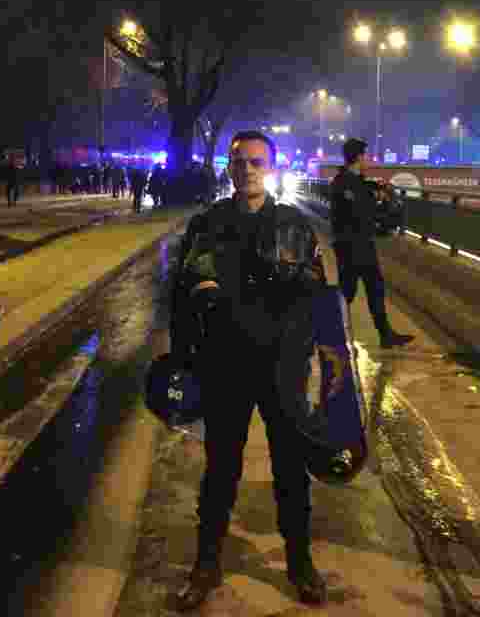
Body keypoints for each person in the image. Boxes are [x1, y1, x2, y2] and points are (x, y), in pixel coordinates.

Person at [170, 130, 329, 610]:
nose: (247, 170)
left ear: (271, 167)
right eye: (239, 162)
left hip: (282, 368)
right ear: (229, 167)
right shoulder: (207, 225)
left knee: (290, 472)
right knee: (220, 470)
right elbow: (180, 296)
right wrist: (182, 361)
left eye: (256, 162)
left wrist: (318, 358)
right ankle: (206, 563)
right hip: (225, 366)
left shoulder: (295, 226)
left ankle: (299, 563)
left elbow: (318, 298)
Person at [329, 138, 413, 349]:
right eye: (366, 155)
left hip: (360, 244)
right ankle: (327, 333)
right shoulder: (345, 184)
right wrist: (379, 203)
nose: (369, 159)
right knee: (348, 292)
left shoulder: (354, 182)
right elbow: (359, 214)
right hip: (352, 246)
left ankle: (385, 334)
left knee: (371, 288)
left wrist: (376, 195)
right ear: (358, 157)